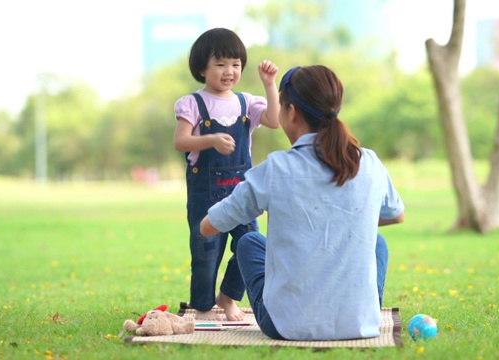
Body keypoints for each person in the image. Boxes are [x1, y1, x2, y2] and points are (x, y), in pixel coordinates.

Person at [200, 65, 405, 340]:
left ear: (291, 111)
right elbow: (397, 214)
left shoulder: (275, 169)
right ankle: (357, 309)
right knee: (377, 242)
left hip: (285, 325)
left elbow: (208, 227)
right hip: (358, 323)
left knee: (249, 242)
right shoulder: (368, 162)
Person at [173, 28, 280, 321]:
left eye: (235, 64)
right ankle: (203, 307)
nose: (229, 71)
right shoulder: (193, 104)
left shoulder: (246, 103)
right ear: (201, 68)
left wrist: (270, 85)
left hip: (242, 196)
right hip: (204, 198)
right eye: (220, 64)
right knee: (206, 251)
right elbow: (180, 141)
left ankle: (228, 297)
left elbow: (274, 120)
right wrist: (211, 140)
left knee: (252, 244)